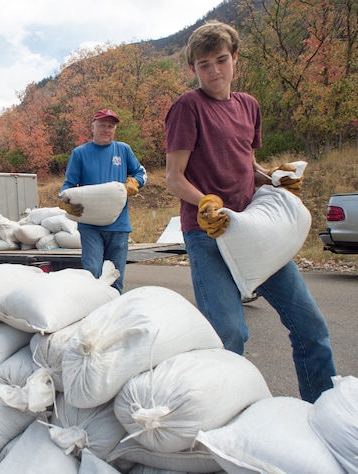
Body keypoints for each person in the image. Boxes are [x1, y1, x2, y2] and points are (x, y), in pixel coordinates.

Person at [164, 21, 335, 402]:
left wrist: (273, 180)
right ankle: (218, 415)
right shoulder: (187, 108)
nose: (214, 71)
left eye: (221, 60)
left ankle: (324, 410)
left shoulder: (248, 106)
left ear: (235, 59)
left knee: (311, 328)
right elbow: (174, 178)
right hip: (208, 233)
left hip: (255, 232)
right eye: (204, 64)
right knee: (230, 334)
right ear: (193, 68)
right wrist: (205, 202)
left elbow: (247, 164)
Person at [60, 109, 147, 293]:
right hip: (90, 226)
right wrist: (65, 200)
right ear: (93, 127)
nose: (106, 129)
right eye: (102, 125)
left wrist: (134, 182)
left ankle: (113, 316)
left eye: (111, 126)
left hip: (119, 225)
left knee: (115, 277)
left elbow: (141, 173)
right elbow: (69, 184)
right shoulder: (80, 153)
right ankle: (92, 313)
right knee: (92, 273)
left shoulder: (123, 150)